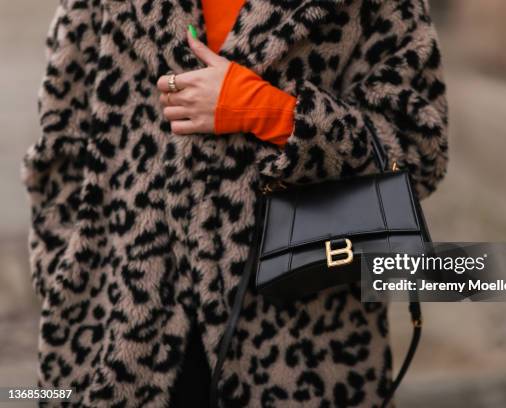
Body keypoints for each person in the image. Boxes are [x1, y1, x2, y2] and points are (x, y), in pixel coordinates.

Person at [22, 0, 448, 406]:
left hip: (300, 339)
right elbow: (59, 143)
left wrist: (268, 112)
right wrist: (63, 268)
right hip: (118, 323)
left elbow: (418, 148)